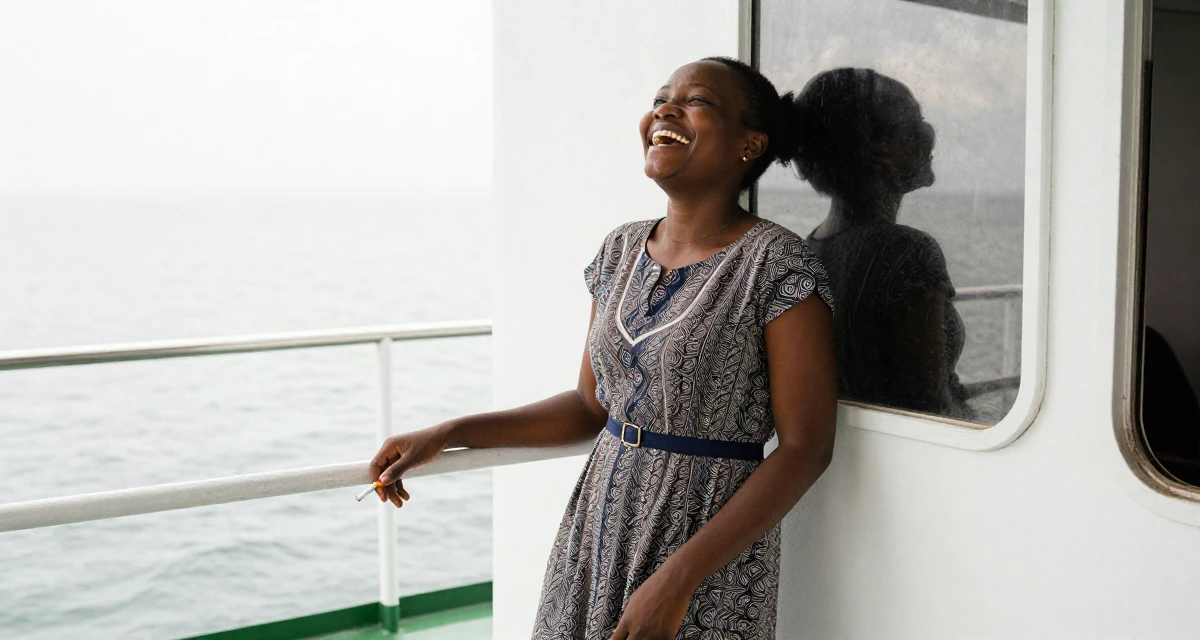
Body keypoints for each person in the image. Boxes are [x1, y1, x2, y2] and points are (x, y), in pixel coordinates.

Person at [369, 57, 837, 640]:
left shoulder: (778, 263)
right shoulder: (619, 250)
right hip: (596, 529)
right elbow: (592, 408)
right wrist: (448, 432)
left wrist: (678, 579)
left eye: (698, 102)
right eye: (661, 97)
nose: (665, 109)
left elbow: (806, 448)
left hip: (705, 549)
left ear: (750, 143)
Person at [795, 68, 974, 421]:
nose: (928, 135)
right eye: (915, 121)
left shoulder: (808, 250)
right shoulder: (905, 251)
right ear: (879, 149)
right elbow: (929, 406)